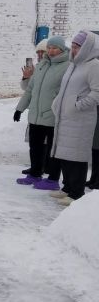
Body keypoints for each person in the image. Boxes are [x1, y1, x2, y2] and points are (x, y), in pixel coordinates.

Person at [49, 30, 99, 206]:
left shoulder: (93, 65)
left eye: (78, 47)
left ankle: (76, 193)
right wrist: (58, 103)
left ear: (87, 48)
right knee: (65, 154)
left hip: (81, 120)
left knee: (77, 156)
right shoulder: (74, 65)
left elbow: (97, 93)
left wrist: (78, 106)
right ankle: (67, 187)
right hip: (66, 118)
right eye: (74, 46)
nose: (75, 50)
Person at [13, 36, 69, 190]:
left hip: (53, 115)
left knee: (53, 149)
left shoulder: (67, 66)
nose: (51, 51)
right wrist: (20, 108)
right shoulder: (42, 66)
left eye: (54, 48)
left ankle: (52, 179)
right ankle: (35, 174)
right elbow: (30, 89)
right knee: (35, 147)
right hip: (36, 115)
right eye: (49, 47)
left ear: (62, 49)